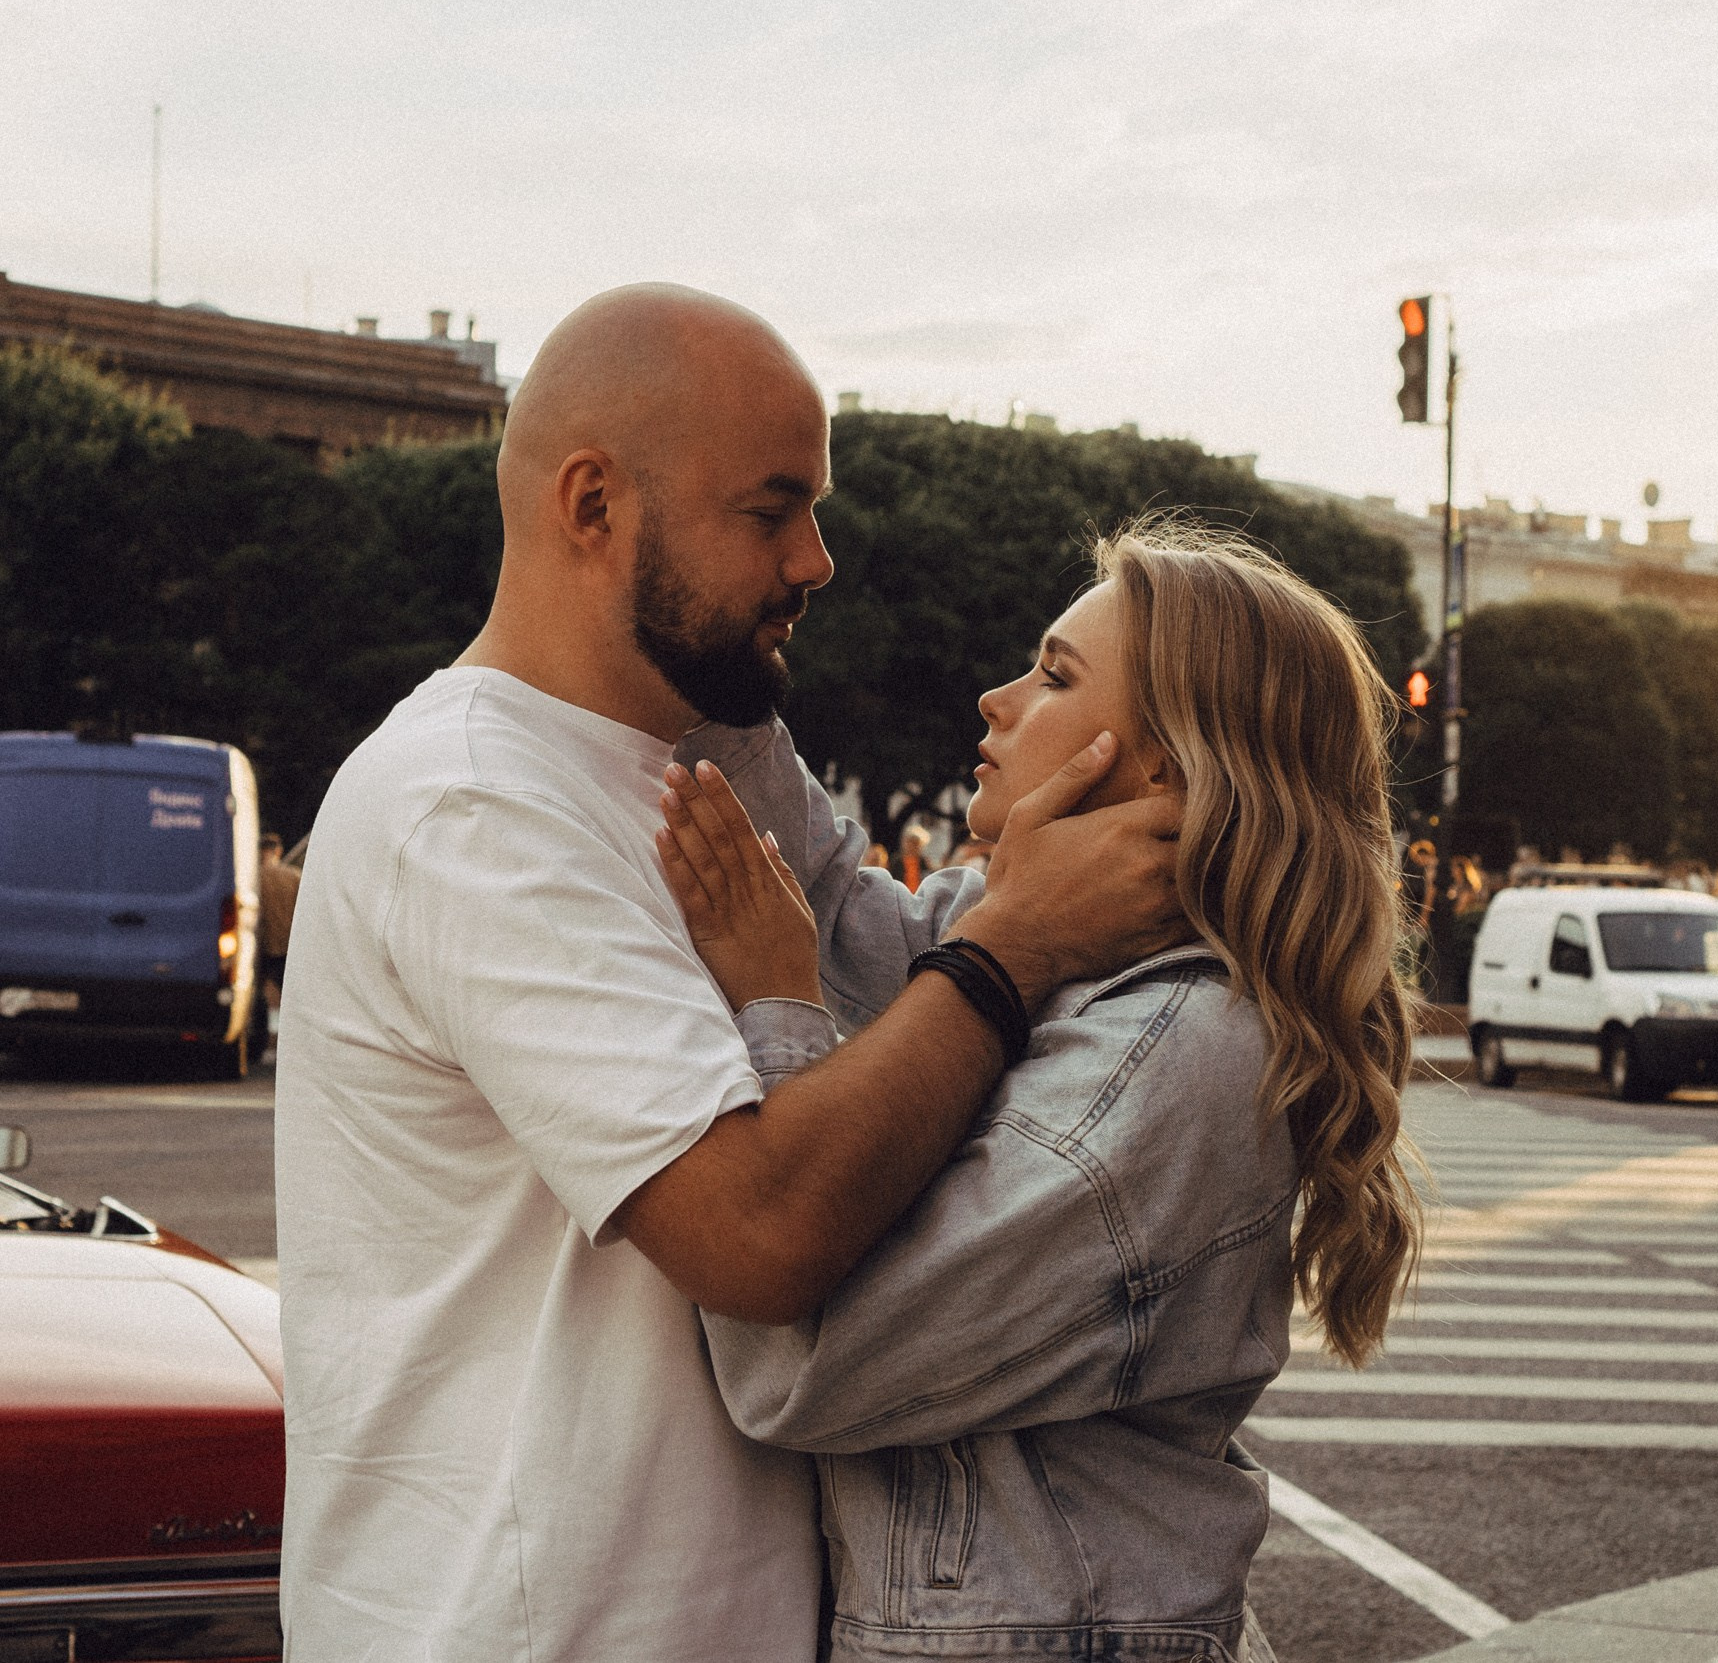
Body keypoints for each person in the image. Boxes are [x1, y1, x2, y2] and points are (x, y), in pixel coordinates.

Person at [273, 284, 1185, 1663]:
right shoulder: (468, 802)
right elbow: (757, 1233)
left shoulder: (715, 739)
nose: (816, 559)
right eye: (771, 511)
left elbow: (882, 964)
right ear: (595, 506)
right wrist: (1022, 942)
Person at [658, 521, 1419, 1661]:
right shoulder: (1063, 949)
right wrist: (712, 621)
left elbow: (803, 1363)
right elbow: (830, 902)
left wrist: (774, 1000)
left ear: (1163, 766)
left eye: (1053, 676)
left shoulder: (1174, 1055)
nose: (994, 698)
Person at [254, 831, 298, 1019]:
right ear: (278, 851)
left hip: (261, 946)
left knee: (256, 997)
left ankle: (260, 1035)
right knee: (291, 997)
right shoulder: (294, 876)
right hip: (288, 947)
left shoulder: (253, 878)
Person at [897, 822, 932, 891]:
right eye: (910, 842)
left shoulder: (924, 862)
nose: (912, 846)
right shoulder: (897, 861)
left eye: (916, 843)